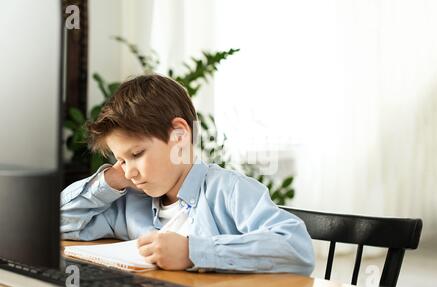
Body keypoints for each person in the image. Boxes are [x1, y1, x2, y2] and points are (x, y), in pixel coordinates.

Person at [60, 74, 315, 274]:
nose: (130, 171)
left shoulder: (228, 191)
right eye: (121, 160)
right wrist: (109, 181)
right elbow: (58, 224)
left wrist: (193, 252)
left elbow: (297, 249)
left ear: (179, 136)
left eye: (136, 154)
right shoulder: (129, 204)